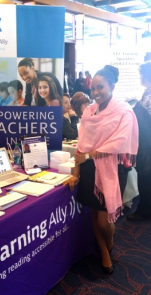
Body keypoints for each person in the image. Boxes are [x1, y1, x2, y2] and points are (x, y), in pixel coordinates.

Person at [64, 65, 138, 274]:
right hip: (89, 168)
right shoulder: (89, 111)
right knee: (94, 214)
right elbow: (82, 144)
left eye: (100, 87)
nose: (95, 93)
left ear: (112, 86)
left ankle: (109, 239)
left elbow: (120, 142)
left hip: (114, 169)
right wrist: (76, 173)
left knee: (105, 221)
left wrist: (89, 154)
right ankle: (105, 252)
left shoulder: (124, 111)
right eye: (93, 88)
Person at [127, 61, 151, 220]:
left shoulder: (148, 97)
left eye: (141, 74)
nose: (139, 77)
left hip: (147, 144)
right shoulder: (146, 95)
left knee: (145, 177)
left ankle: (144, 211)